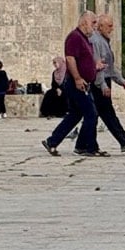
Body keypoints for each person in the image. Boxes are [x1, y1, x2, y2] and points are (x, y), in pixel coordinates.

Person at [42, 12, 107, 157]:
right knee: (91, 114)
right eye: (94, 23)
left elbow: (83, 60)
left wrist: (95, 66)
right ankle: (89, 147)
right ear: (84, 22)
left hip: (83, 82)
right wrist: (77, 79)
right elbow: (70, 60)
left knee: (75, 115)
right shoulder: (74, 37)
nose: (96, 27)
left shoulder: (84, 39)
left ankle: (53, 141)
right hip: (76, 83)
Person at [90, 13, 125, 153]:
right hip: (99, 82)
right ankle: (124, 141)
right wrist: (103, 85)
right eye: (109, 26)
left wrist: (120, 80)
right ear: (100, 27)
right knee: (103, 113)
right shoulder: (96, 41)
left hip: (104, 81)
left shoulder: (103, 41)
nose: (112, 29)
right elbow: (98, 66)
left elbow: (110, 67)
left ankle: (86, 145)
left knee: (96, 114)